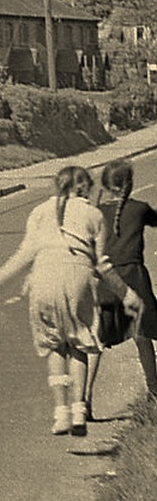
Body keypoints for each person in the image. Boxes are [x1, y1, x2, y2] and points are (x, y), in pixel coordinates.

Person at [0, 165, 142, 436]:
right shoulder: (94, 214)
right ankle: (80, 409)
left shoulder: (39, 212)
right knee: (79, 344)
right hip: (78, 280)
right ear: (87, 187)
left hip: (43, 280)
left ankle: (61, 414)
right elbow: (102, 266)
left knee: (54, 345)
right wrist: (127, 293)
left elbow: (25, 253)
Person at [83, 158, 157, 417]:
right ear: (130, 184)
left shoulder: (96, 212)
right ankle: (154, 394)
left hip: (107, 280)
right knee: (143, 337)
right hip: (135, 278)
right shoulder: (140, 209)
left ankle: (85, 401)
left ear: (105, 184)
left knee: (98, 341)